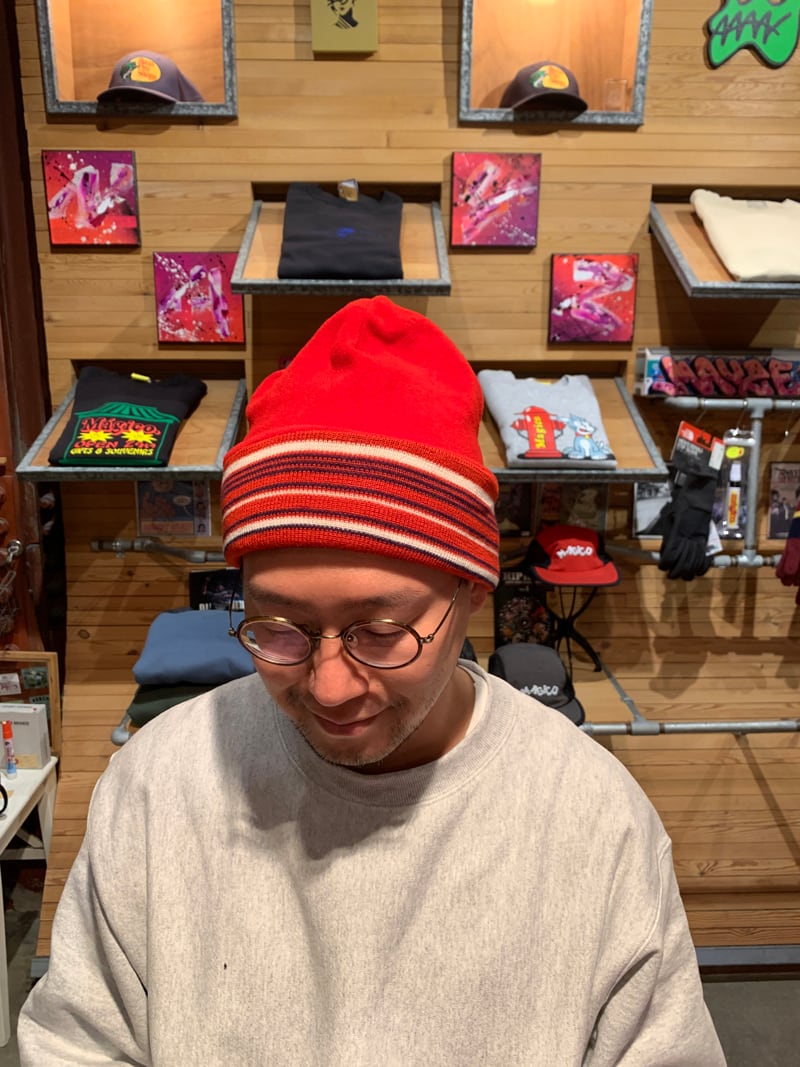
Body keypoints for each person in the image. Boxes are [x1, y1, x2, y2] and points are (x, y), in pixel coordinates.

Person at [18, 297, 725, 1065]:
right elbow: (76, 1042)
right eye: (279, 626)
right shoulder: (157, 786)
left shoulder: (594, 820)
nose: (329, 687)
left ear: (472, 590)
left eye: (382, 632)